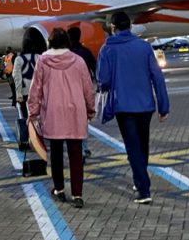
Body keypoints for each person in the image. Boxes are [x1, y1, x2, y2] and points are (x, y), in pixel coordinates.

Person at [96, 11, 170, 204]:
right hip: (145, 104)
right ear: (130, 26)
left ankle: (144, 189)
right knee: (142, 144)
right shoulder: (144, 47)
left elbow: (103, 80)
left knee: (132, 147)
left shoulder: (107, 49)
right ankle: (141, 180)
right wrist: (163, 106)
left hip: (123, 105)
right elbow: (157, 77)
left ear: (113, 27)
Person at [27, 28, 95, 208]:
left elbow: (36, 89)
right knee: (75, 154)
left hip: (53, 113)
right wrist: (90, 108)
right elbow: (88, 88)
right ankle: (78, 194)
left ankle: (59, 189)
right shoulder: (78, 61)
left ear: (50, 42)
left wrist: (32, 112)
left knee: (56, 154)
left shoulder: (43, 61)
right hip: (75, 112)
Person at [67, 26, 97, 158]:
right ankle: (84, 148)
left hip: (67, 93)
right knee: (83, 123)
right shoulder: (86, 52)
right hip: (83, 93)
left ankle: (72, 148)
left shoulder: (66, 54)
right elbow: (95, 70)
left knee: (68, 123)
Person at [12, 34, 41, 149]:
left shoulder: (19, 59)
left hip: (24, 93)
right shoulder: (38, 57)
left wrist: (18, 93)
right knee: (37, 117)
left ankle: (27, 139)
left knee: (24, 117)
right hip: (37, 93)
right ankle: (36, 139)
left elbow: (17, 77)